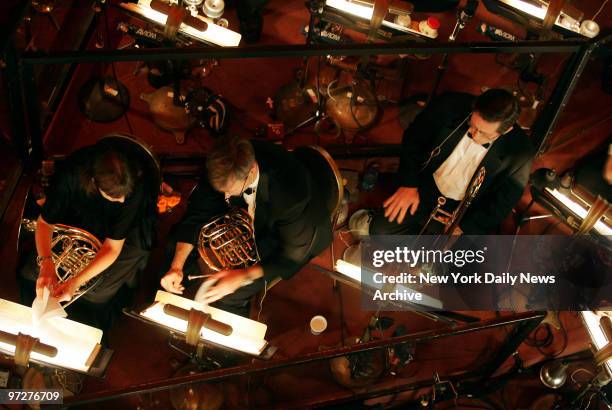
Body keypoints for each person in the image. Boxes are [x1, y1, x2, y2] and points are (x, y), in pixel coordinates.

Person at [160, 135, 332, 317]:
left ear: (251, 170)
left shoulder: (291, 196)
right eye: (221, 190)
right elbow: (198, 211)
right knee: (175, 245)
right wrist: (176, 266)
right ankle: (179, 286)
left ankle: (226, 331)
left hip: (287, 233)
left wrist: (243, 276)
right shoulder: (223, 159)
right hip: (250, 212)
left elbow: (291, 256)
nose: (226, 196)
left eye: (229, 190)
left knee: (233, 293)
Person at [19, 139, 156, 330]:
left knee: (97, 294)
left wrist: (76, 282)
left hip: (127, 232)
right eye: (115, 197)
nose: (122, 200)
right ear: (93, 181)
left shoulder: (134, 187)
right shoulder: (72, 174)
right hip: (79, 217)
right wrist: (46, 263)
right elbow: (45, 222)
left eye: (125, 195)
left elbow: (113, 247)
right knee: (33, 276)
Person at [370, 88, 534, 235]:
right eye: (473, 126)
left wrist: (465, 227)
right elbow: (413, 139)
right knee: (379, 231)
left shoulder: (520, 151)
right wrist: (409, 184)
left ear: (507, 129)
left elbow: (504, 200)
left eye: (485, 134)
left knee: (457, 263)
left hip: (463, 211)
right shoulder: (449, 104)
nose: (475, 136)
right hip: (424, 187)